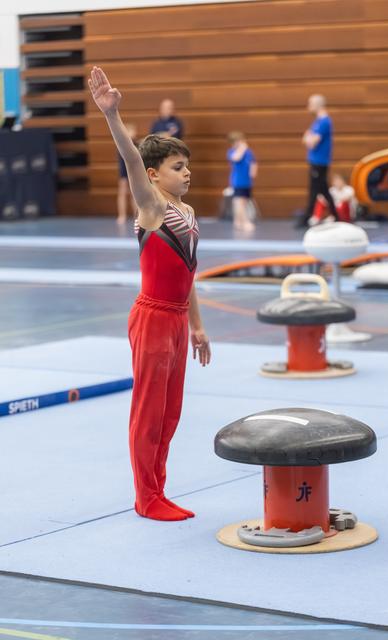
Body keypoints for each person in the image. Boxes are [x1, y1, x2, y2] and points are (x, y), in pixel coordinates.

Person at [88, 66, 211, 522]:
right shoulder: (153, 206)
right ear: (155, 175)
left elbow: (189, 271)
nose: (188, 173)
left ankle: (158, 489)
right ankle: (146, 497)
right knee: (149, 411)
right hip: (153, 317)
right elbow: (132, 159)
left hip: (178, 319)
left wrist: (197, 325)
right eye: (179, 168)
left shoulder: (189, 210)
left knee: (171, 412)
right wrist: (112, 114)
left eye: (187, 165)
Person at [299, 94, 339, 228]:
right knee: (322, 190)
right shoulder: (317, 122)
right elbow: (305, 139)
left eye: (310, 104)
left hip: (320, 162)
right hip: (316, 161)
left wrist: (308, 138)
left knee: (315, 191)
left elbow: (311, 142)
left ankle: (306, 218)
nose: (308, 107)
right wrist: (307, 138)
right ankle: (336, 216)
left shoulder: (324, 122)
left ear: (318, 105)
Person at [227, 131, 258, 232]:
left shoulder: (248, 152)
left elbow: (253, 162)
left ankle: (238, 221)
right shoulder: (232, 152)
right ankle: (244, 222)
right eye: (239, 142)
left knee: (243, 202)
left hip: (247, 181)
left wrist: (253, 172)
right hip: (238, 181)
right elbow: (236, 158)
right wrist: (242, 148)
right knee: (238, 202)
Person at [117, 122, 138, 225]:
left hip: (134, 171)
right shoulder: (122, 144)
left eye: (133, 131)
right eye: (129, 131)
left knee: (135, 194)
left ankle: (137, 215)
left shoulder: (137, 144)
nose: (132, 133)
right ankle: (122, 215)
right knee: (123, 192)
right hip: (124, 171)